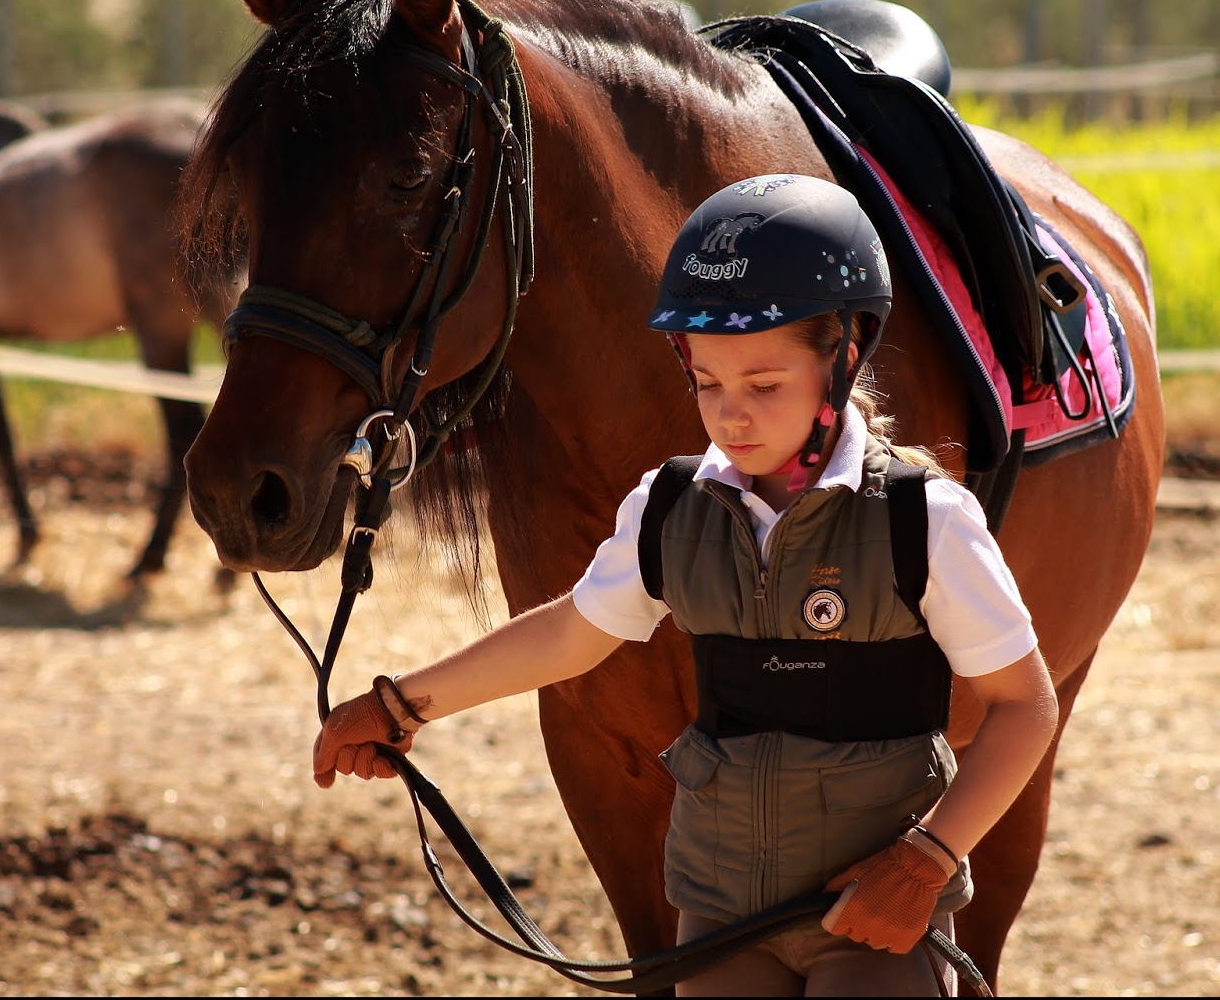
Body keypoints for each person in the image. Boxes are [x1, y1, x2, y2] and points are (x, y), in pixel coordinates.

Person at [311, 173, 1059, 996]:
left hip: (874, 915)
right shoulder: (669, 507)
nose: (731, 415)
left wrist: (927, 860)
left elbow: (1025, 705)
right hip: (719, 913)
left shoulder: (927, 520)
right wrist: (398, 705)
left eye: (764, 386)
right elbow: (569, 632)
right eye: (708, 383)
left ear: (844, 357)